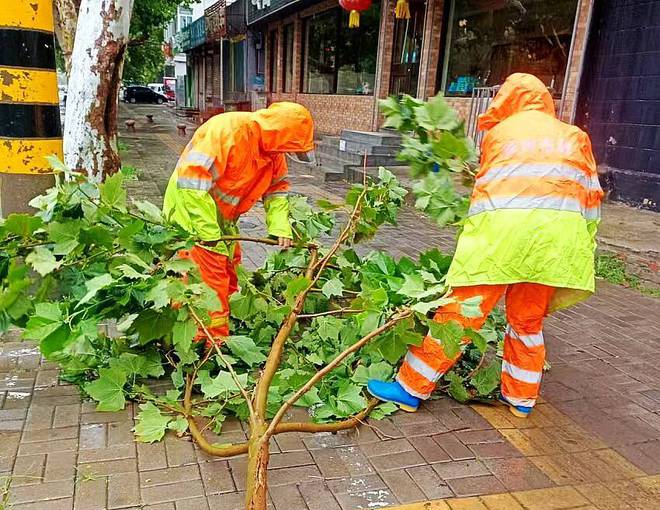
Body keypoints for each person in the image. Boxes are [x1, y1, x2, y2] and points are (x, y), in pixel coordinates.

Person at [368, 73, 603, 418]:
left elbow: (485, 194)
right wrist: (582, 250)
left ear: (507, 102)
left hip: (499, 243)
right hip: (554, 247)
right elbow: (592, 202)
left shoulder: (499, 135)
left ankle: (409, 388)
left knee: (460, 315)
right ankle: (521, 400)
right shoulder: (576, 137)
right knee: (527, 322)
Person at [163, 101, 315, 339]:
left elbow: (277, 191)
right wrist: (208, 233)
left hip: (222, 218)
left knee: (230, 273)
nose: (286, 154)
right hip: (190, 213)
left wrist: (280, 227)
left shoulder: (273, 151)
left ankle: (186, 325)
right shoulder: (225, 131)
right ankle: (208, 347)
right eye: (287, 148)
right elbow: (191, 182)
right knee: (211, 283)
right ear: (277, 134)